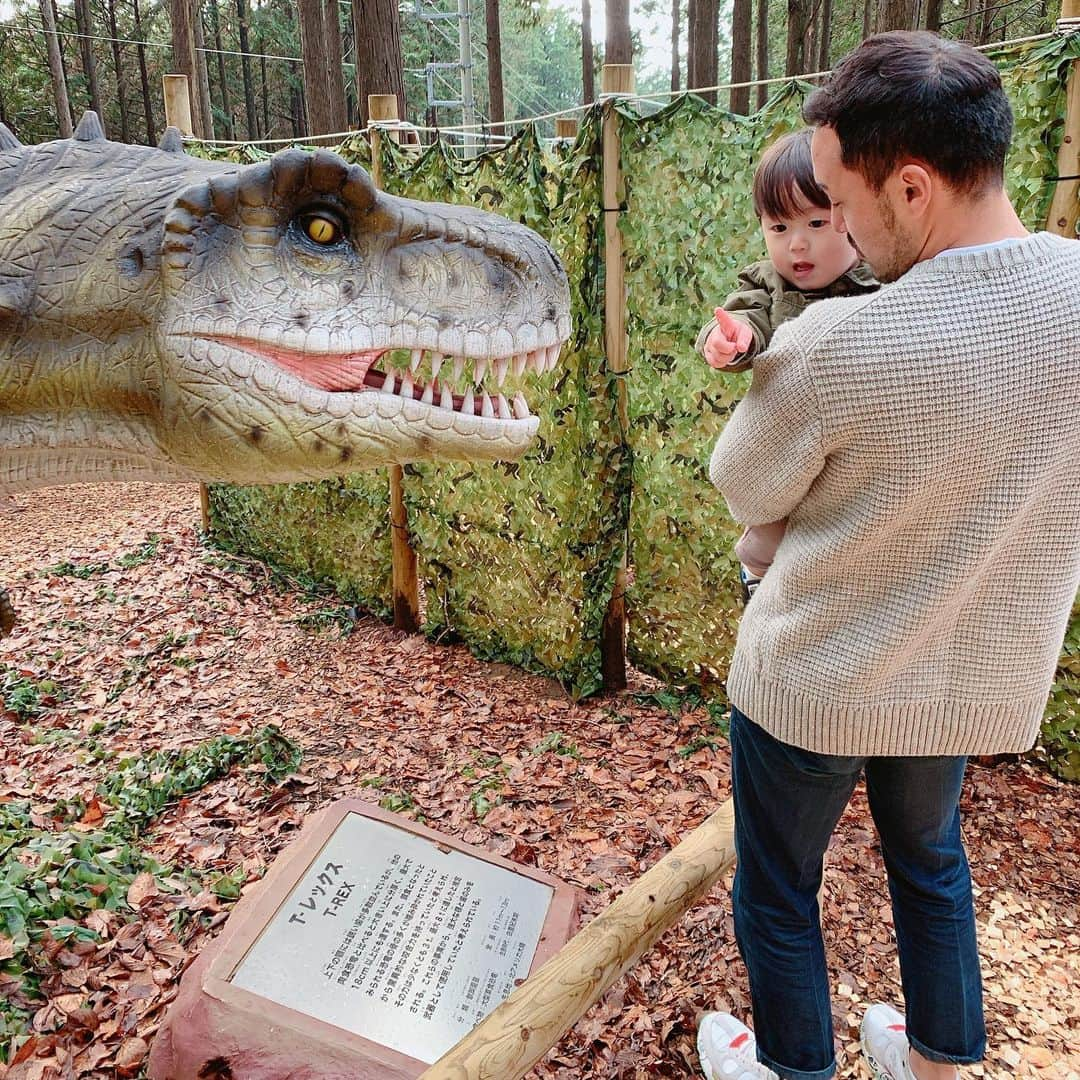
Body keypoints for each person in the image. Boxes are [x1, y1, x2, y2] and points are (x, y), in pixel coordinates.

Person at [696, 30, 1080, 1080]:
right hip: (960, 671)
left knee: (779, 887)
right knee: (931, 862)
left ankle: (791, 1068)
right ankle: (941, 1061)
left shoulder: (838, 344)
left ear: (910, 189)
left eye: (842, 201)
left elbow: (747, 484)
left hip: (815, 679)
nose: (839, 233)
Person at [696, 129, 879, 599]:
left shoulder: (879, 280)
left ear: (847, 214)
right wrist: (728, 340)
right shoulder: (766, 282)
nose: (796, 245)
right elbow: (744, 317)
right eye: (779, 228)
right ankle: (758, 578)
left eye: (815, 224)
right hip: (784, 435)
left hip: (858, 440)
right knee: (768, 529)